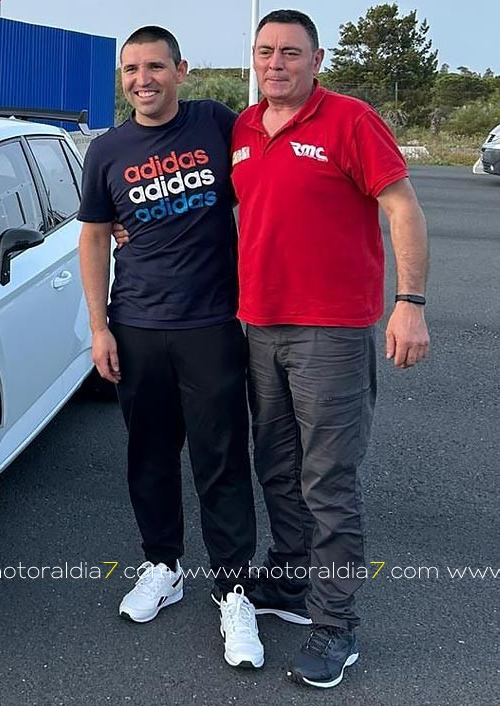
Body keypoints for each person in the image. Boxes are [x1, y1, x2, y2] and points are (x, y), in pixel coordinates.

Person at [231, 9, 431, 689]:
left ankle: (336, 625)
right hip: (260, 326)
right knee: (277, 467)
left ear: (317, 60)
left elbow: (402, 208)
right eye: (265, 51)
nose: (276, 63)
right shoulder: (245, 128)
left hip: (332, 333)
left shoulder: (349, 120)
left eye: (291, 52)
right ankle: (289, 579)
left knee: (329, 484)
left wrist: (410, 303)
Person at [77, 26, 264, 669]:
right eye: (132, 69)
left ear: (181, 71)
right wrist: (100, 326)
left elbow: (268, 182)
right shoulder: (107, 150)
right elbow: (95, 238)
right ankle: (163, 565)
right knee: (149, 456)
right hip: (136, 326)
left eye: (156, 66)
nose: (143, 79)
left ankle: (235, 592)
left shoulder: (217, 123)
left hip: (211, 324)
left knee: (221, 460)